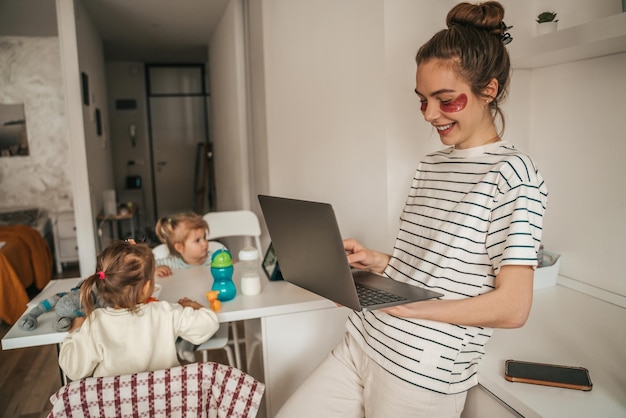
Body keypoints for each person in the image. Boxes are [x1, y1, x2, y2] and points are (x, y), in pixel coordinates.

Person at [276, 2, 548, 417]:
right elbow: (435, 265)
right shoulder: (432, 164)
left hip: (420, 373)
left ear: (488, 91)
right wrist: (380, 262)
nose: (430, 115)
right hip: (363, 340)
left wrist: (408, 306)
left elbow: (513, 307)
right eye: (423, 101)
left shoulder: (513, 175)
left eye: (445, 100)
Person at [58, 240, 220, 381]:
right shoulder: (165, 311)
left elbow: (73, 370)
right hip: (164, 405)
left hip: (117, 408)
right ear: (147, 287)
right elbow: (209, 325)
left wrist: (75, 331)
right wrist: (194, 306)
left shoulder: (96, 322)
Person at [154, 211, 225, 277]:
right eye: (197, 240)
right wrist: (155, 270)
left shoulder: (214, 259)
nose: (204, 243)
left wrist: (230, 264)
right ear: (179, 248)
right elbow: (146, 268)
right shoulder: (171, 264)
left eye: (204, 237)